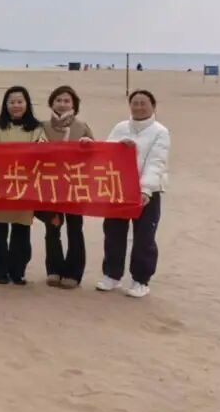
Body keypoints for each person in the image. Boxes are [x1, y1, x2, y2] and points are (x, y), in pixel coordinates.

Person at [97, 90, 170, 298]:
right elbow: (106, 152)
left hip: (148, 192)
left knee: (144, 237)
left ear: (153, 106)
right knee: (113, 233)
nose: (138, 107)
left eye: (143, 103)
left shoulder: (160, 132)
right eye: (135, 103)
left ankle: (141, 280)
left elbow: (156, 162)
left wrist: (146, 189)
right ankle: (112, 275)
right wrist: (120, 146)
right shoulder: (121, 127)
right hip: (119, 189)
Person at [0, 86, 46, 285]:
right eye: (12, 102)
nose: (16, 105)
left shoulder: (36, 127)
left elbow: (41, 153)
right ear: (5, 104)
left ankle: (18, 271)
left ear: (27, 104)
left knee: (21, 231)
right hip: (0, 184)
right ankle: (1, 270)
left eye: (20, 101)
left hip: (24, 186)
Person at [42, 85, 95, 289]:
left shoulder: (82, 127)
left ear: (74, 104)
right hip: (50, 185)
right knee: (52, 227)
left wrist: (88, 144)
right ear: (52, 103)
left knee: (75, 229)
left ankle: (73, 272)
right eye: (58, 100)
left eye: (66, 101)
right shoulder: (43, 127)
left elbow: (96, 156)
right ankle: (54, 269)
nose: (62, 104)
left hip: (75, 186)